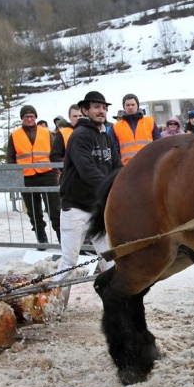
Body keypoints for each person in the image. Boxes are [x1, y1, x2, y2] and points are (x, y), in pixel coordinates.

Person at [55, 91, 122, 281]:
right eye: (96, 107)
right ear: (85, 110)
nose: (101, 111)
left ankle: (113, 303)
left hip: (97, 207)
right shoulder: (80, 135)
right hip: (75, 207)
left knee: (109, 260)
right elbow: (87, 169)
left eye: (104, 108)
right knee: (70, 262)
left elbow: (117, 167)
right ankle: (52, 305)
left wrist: (125, 184)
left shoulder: (106, 137)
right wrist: (110, 187)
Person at [6, 104, 61, 247]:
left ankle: (62, 238)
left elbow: (54, 153)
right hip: (27, 177)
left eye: (31, 116)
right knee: (33, 211)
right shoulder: (15, 135)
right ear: (22, 118)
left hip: (47, 174)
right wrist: (14, 175)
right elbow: (11, 157)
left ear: (36, 117)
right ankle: (41, 238)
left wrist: (56, 169)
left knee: (54, 209)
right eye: (26, 117)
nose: (29, 119)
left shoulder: (46, 132)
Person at [110, 93, 160, 164]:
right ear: (124, 107)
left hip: (149, 164)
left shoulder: (150, 121)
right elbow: (114, 150)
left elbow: (158, 144)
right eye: (127, 105)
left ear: (137, 106)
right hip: (127, 166)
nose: (130, 107)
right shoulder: (116, 127)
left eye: (133, 104)